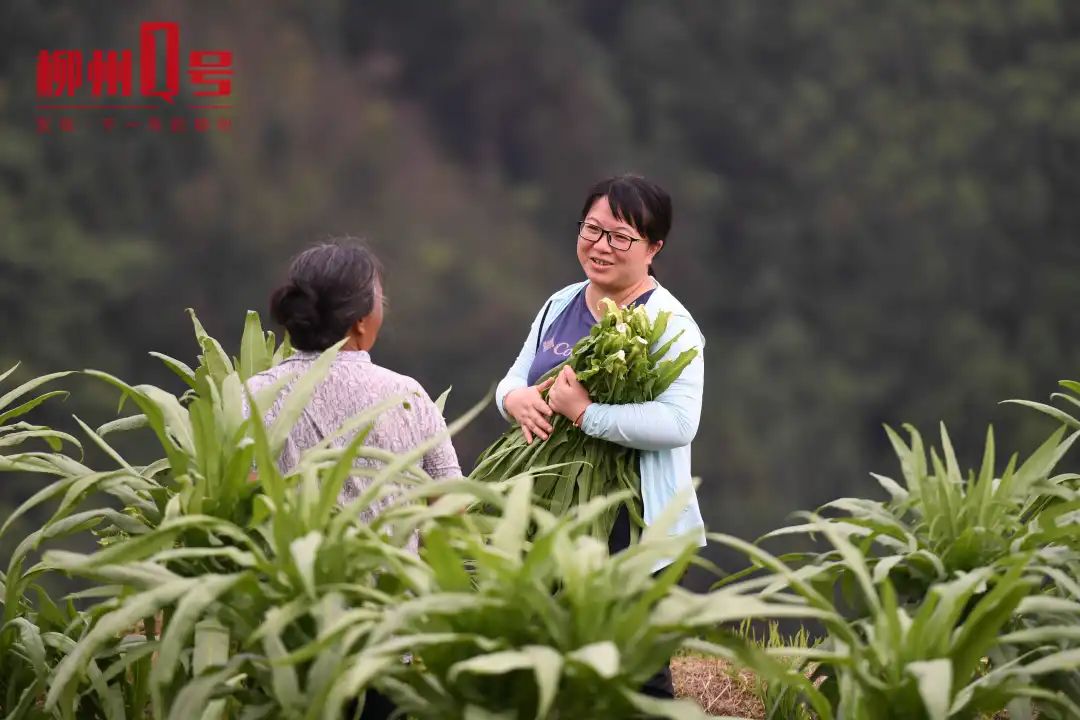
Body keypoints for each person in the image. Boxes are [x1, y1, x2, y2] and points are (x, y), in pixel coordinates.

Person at [494, 174, 706, 699]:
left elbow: (679, 424)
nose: (600, 246)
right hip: (552, 516)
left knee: (635, 677)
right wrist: (511, 399)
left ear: (654, 248)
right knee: (551, 667)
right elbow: (517, 376)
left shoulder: (670, 323)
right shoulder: (561, 303)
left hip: (633, 527)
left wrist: (586, 414)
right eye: (592, 230)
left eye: (620, 237)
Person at [245, 239, 461, 720]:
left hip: (286, 637)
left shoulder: (254, 396)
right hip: (385, 634)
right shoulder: (405, 394)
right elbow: (451, 504)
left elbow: (242, 498)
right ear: (361, 321)